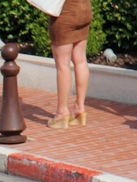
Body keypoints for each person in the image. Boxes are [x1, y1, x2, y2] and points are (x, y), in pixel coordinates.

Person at [47, 0, 92, 129]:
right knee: (81, 60)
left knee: (63, 64)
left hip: (66, 13)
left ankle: (61, 113)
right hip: (84, 10)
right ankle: (79, 108)